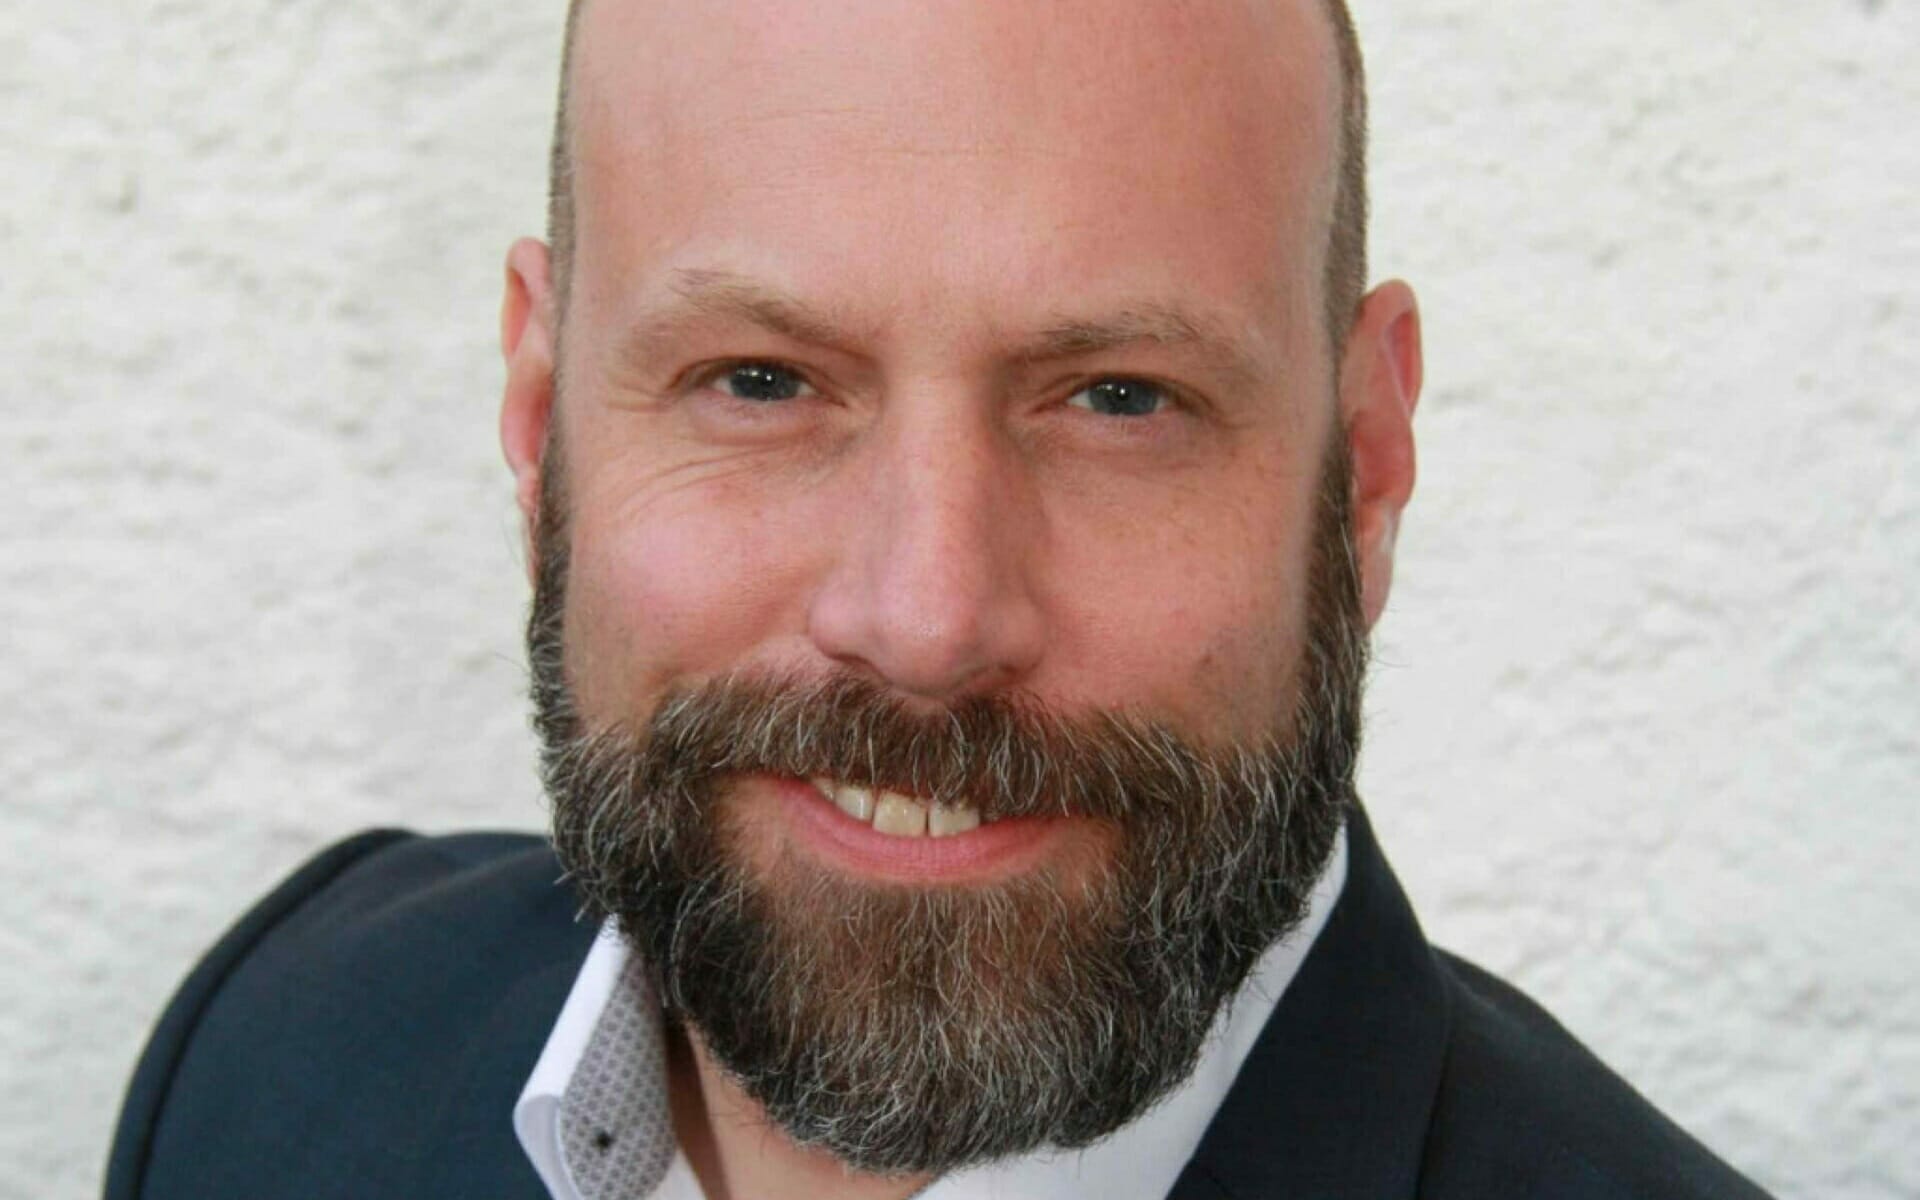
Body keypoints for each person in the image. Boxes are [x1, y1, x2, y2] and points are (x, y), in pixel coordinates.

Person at [106, 1, 1776, 1197]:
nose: (927, 616)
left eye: (1118, 398)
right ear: (539, 430)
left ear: (1366, 472)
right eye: (760, 379)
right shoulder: (271, 1050)